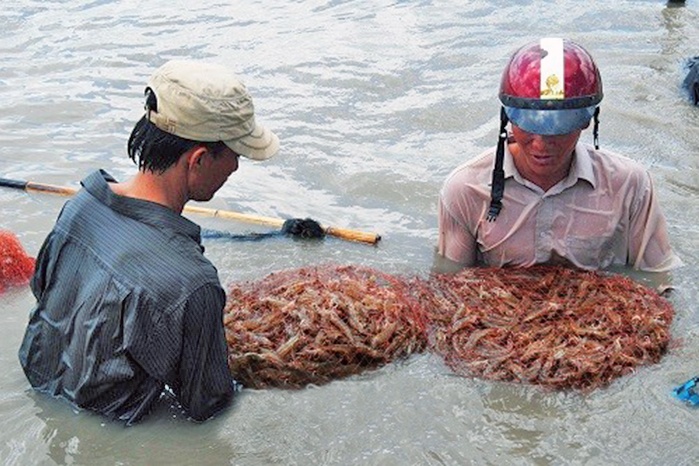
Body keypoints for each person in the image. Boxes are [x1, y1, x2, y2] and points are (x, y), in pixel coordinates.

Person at [18, 59, 280, 425]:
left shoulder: (79, 207)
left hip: (40, 393)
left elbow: (44, 295)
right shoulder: (193, 282)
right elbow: (208, 405)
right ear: (199, 159)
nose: (236, 167)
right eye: (235, 154)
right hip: (115, 433)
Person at [437, 38, 682, 272]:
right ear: (509, 119)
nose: (542, 144)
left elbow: (657, 276)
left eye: (559, 128)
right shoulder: (465, 189)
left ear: (587, 121)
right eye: (530, 125)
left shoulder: (630, 185)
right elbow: (451, 286)